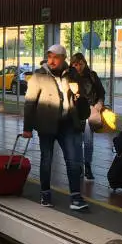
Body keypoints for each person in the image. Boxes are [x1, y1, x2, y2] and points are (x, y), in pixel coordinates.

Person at [22, 44, 91, 211]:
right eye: (50, 57)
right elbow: (30, 103)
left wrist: (78, 92)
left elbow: (83, 94)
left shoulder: (72, 74)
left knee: (73, 161)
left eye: (56, 57)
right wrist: (28, 128)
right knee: (47, 159)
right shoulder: (39, 76)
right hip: (46, 125)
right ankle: (45, 193)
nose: (52, 61)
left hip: (68, 123)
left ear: (63, 59)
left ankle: (76, 197)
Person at [69, 53, 105, 182]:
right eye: (75, 64)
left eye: (80, 64)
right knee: (77, 142)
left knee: (88, 141)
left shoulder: (92, 75)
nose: (78, 67)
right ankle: (79, 166)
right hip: (75, 112)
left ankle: (87, 166)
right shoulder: (69, 76)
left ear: (85, 63)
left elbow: (101, 92)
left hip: (90, 110)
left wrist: (98, 105)